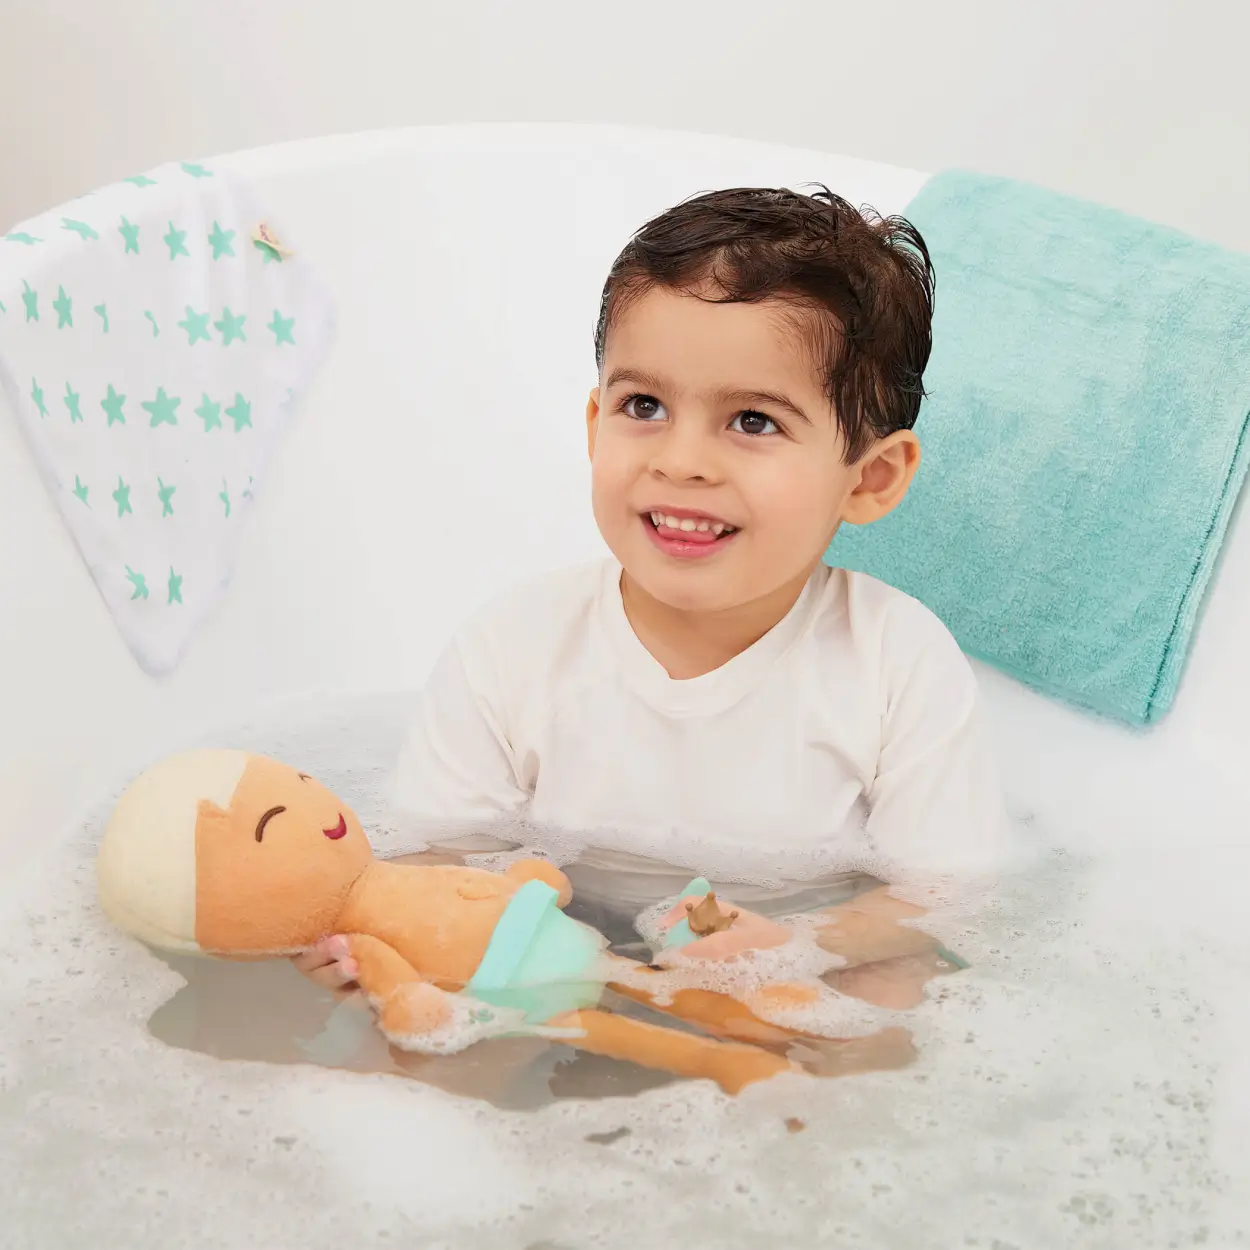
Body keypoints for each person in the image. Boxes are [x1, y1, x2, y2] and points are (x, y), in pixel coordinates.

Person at [294, 185, 1012, 1013]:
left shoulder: (895, 661)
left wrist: (806, 945)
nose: (681, 461)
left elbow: (946, 891)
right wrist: (378, 939)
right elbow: (438, 864)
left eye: (752, 421)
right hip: (551, 955)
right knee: (416, 1010)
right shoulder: (514, 646)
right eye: (644, 406)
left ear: (871, 477)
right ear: (595, 423)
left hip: (800, 965)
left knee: (888, 994)